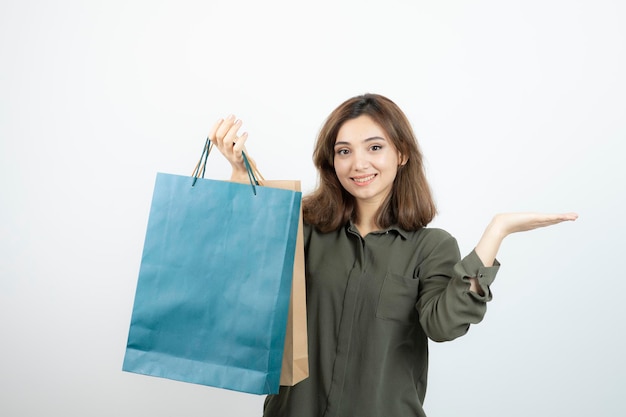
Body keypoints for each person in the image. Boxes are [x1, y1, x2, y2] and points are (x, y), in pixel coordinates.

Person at [209, 93, 577, 417]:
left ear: (400, 154)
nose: (358, 164)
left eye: (374, 147)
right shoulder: (303, 228)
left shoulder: (431, 247)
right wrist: (243, 179)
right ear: (331, 161)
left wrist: (497, 231)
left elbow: (444, 325)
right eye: (344, 151)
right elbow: (245, 278)